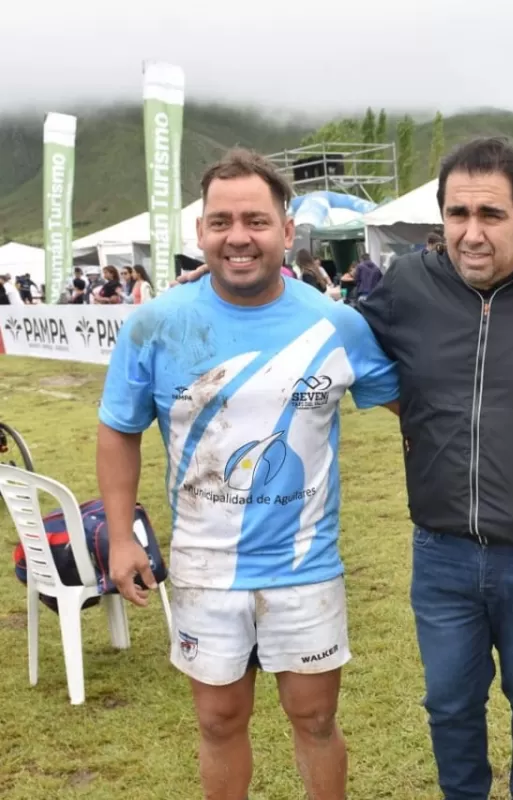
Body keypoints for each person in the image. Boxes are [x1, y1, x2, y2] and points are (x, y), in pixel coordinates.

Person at [96, 148, 400, 800]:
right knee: (218, 719)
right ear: (201, 232)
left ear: (287, 233)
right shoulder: (154, 325)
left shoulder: (338, 324)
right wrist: (120, 538)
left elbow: (420, 407)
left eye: (257, 221)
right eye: (221, 221)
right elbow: (118, 429)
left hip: (306, 569)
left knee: (316, 719)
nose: (239, 237)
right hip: (205, 569)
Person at [357, 136, 513, 800]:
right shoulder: (409, 285)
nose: (472, 232)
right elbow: (340, 348)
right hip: (440, 552)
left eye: (491, 215)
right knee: (448, 705)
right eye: (457, 214)